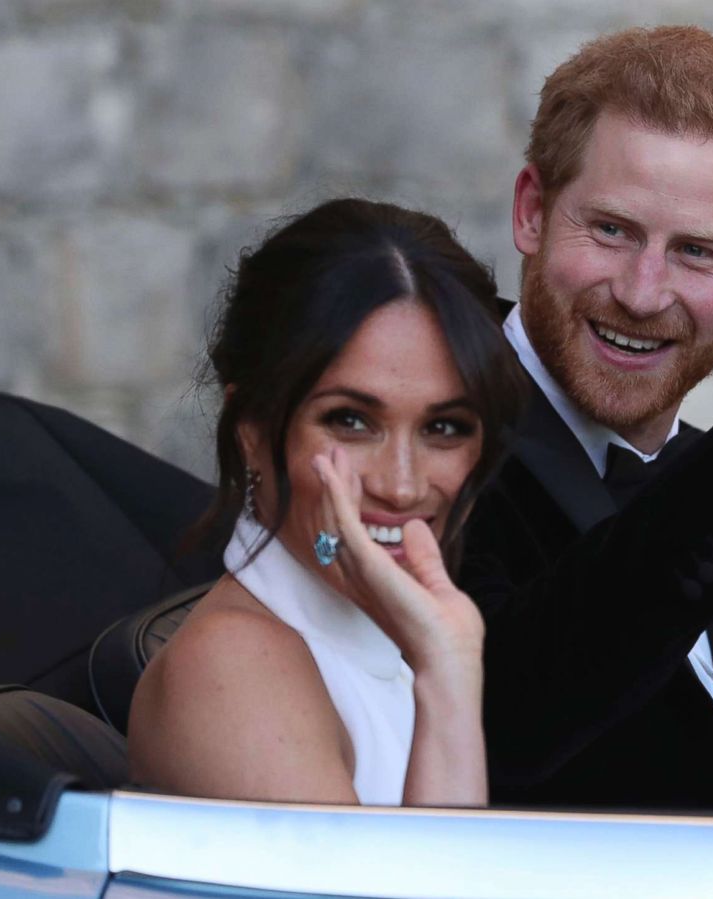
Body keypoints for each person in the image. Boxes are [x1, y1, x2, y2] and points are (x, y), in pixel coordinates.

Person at [460, 26, 713, 811]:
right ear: (532, 213)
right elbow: (507, 721)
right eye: (612, 230)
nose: (644, 293)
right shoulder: (437, 438)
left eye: (696, 252)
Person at [128, 198, 527, 806]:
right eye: (351, 421)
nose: (401, 485)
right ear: (255, 432)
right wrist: (446, 676)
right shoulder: (234, 666)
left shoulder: (382, 638)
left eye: (444, 428)